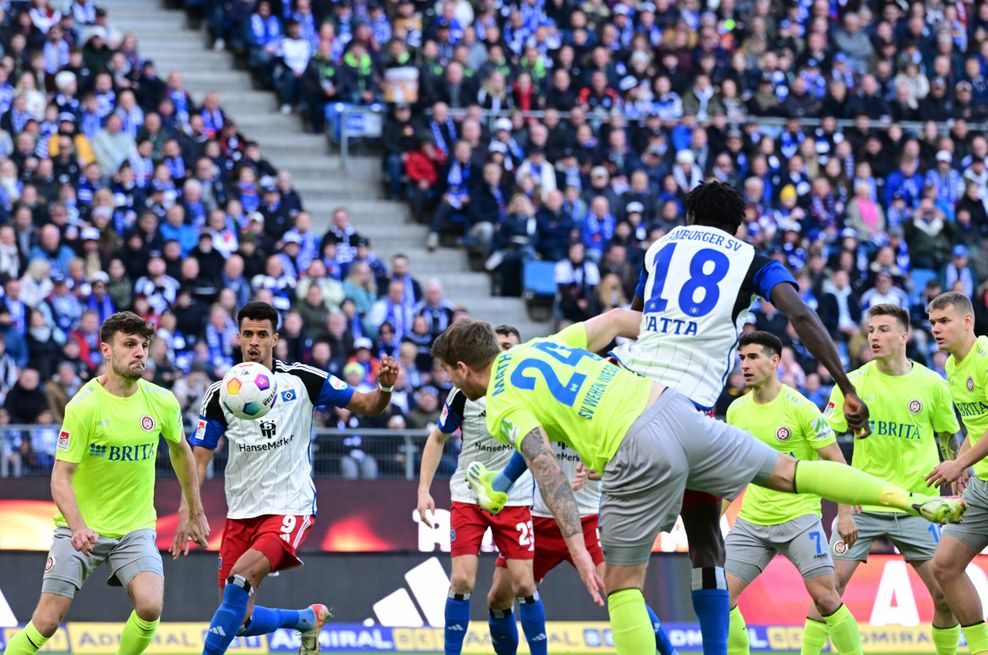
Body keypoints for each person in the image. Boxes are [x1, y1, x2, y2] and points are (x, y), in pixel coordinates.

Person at [435, 314, 964, 655]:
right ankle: (908, 499)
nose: (450, 384)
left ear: (463, 368)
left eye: (448, 375)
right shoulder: (545, 344)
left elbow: (543, 464)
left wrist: (575, 542)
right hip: (672, 404)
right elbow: (621, 318)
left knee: (622, 586)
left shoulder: (500, 400)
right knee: (788, 471)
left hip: (633, 448)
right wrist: (678, 346)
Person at [613, 180, 872, 655]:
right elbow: (800, 314)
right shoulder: (750, 258)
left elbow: (631, 322)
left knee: (622, 570)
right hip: (692, 414)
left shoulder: (660, 249)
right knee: (706, 538)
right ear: (739, 225)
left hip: (632, 408)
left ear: (689, 218)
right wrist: (846, 385)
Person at [188, 301, 399, 655]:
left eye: (262, 335)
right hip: (241, 513)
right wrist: (191, 508)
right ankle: (305, 619)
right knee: (240, 620)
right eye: (248, 334)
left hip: (291, 506)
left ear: (276, 338)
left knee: (241, 579)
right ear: (237, 337)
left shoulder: (303, 379)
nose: (254, 342)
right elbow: (200, 457)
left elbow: (367, 404)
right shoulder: (221, 393)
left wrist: (386, 389)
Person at [2, 312, 209, 655]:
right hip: (79, 528)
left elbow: (181, 451)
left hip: (134, 528)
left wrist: (193, 509)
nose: (140, 352)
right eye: (129, 344)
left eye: (143, 345)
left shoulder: (161, 401)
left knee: (150, 606)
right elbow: (61, 477)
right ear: (106, 350)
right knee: (47, 621)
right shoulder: (84, 406)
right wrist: (78, 526)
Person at [803, 304, 961, 655]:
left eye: (884, 329)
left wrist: (956, 478)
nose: (874, 336)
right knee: (828, 589)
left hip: (916, 506)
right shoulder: (853, 383)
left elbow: (949, 439)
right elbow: (827, 449)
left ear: (904, 336)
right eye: (871, 329)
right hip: (863, 504)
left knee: (944, 594)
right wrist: (842, 509)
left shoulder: (932, 384)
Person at [724, 331, 862, 655]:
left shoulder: (801, 408)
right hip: (752, 523)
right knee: (720, 596)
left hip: (800, 519)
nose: (745, 364)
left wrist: (844, 513)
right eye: (742, 358)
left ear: (774, 362)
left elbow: (837, 462)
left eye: (753, 357)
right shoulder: (735, 412)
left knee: (826, 598)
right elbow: (730, 473)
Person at [416, 325, 549, 655]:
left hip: (514, 497)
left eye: (509, 346)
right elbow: (437, 438)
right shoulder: (462, 392)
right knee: (462, 580)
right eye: (499, 344)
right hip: (469, 494)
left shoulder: (525, 389)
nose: (503, 351)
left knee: (523, 584)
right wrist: (423, 490)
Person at [925, 292, 988, 655]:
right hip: (983, 484)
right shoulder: (951, 366)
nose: (936, 329)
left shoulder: (984, 360)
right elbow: (977, 425)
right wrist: (964, 458)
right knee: (945, 566)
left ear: (967, 322)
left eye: (944, 321)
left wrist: (960, 463)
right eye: (932, 322)